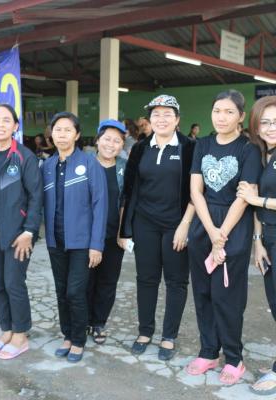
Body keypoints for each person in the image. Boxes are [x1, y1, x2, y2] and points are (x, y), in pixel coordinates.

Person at [186, 90, 262, 385]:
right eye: (217, 110)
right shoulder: (202, 144)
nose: (221, 117)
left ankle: (233, 358)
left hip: (234, 227)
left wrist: (222, 236)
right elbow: (196, 191)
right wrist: (210, 231)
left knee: (227, 295)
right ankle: (208, 351)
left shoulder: (249, 149)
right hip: (204, 225)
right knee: (203, 292)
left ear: (241, 116)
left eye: (229, 112)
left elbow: (245, 196)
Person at [120, 94, 195, 360]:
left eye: (167, 114)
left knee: (176, 281)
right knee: (146, 279)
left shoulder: (189, 147)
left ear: (177, 119)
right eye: (156, 114)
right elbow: (129, 190)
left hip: (177, 225)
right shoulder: (140, 148)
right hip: (145, 224)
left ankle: (168, 336)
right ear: (149, 120)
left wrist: (185, 225)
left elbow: (197, 191)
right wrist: (125, 230)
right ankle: (145, 331)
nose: (161, 119)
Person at [0, 104, 43, 360]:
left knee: (13, 283)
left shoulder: (24, 157)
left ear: (15, 126)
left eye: (6, 120)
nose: (0, 124)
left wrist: (29, 231)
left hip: (17, 234)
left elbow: (36, 197)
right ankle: (7, 330)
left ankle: (21, 335)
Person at [42, 111, 107, 363]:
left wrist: (96, 245)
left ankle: (79, 340)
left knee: (75, 292)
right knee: (61, 291)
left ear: (77, 135)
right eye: (57, 129)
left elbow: (100, 206)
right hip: (55, 241)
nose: (62, 134)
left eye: (67, 130)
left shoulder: (89, 163)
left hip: (82, 242)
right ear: (52, 134)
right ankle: (67, 335)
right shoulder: (47, 166)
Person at [237, 95, 276, 395]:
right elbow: (256, 206)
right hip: (270, 238)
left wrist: (256, 199)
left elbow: (256, 200)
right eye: (265, 122)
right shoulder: (266, 155)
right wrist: (258, 242)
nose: (271, 127)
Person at [87, 119, 126, 344]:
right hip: (87, 236)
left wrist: (123, 232)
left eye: (117, 141)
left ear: (122, 145)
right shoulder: (85, 164)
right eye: (107, 139)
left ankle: (98, 323)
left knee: (108, 281)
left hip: (113, 236)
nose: (111, 144)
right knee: (85, 281)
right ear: (98, 140)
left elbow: (126, 201)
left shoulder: (124, 168)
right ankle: (83, 320)